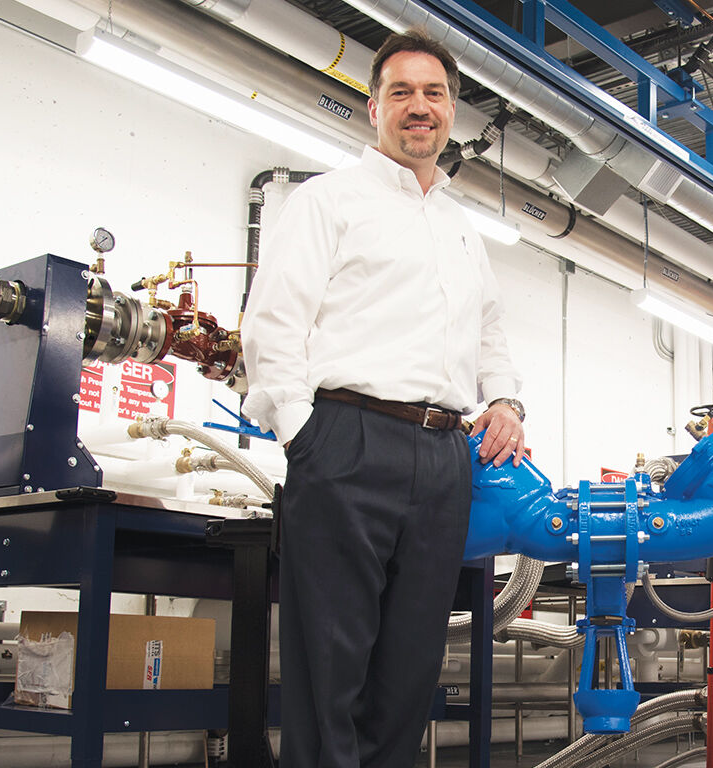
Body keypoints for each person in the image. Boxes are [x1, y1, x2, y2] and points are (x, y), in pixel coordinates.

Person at [240, 30, 526, 768]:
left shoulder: (462, 229)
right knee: (328, 670)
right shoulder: (327, 202)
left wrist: (507, 402)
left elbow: (490, 331)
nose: (419, 107)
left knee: (409, 675)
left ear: (452, 110)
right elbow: (274, 324)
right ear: (374, 109)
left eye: (434, 94)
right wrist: (306, 436)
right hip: (346, 440)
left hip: (444, 458)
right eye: (401, 93)